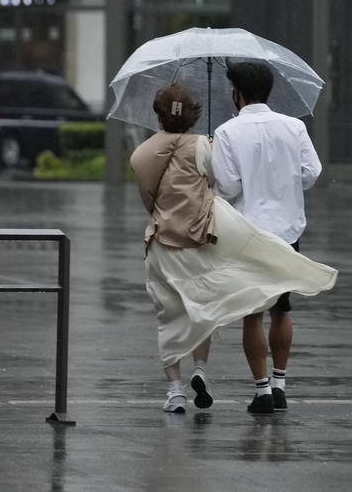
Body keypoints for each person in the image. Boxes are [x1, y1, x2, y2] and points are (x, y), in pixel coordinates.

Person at [130, 83, 336, 414]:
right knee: (207, 309)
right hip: (209, 236)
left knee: (170, 315)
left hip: (162, 241)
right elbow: (221, 183)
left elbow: (148, 201)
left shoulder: (140, 155)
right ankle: (231, 374)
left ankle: (176, 391)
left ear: (158, 114)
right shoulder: (205, 145)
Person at [212, 61, 322, 415]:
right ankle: (280, 385)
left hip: (249, 231)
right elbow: (311, 173)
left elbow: (227, 187)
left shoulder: (228, 132)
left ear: (237, 92)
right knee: (282, 308)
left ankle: (261, 392)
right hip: (289, 228)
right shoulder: (294, 126)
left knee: (252, 313)